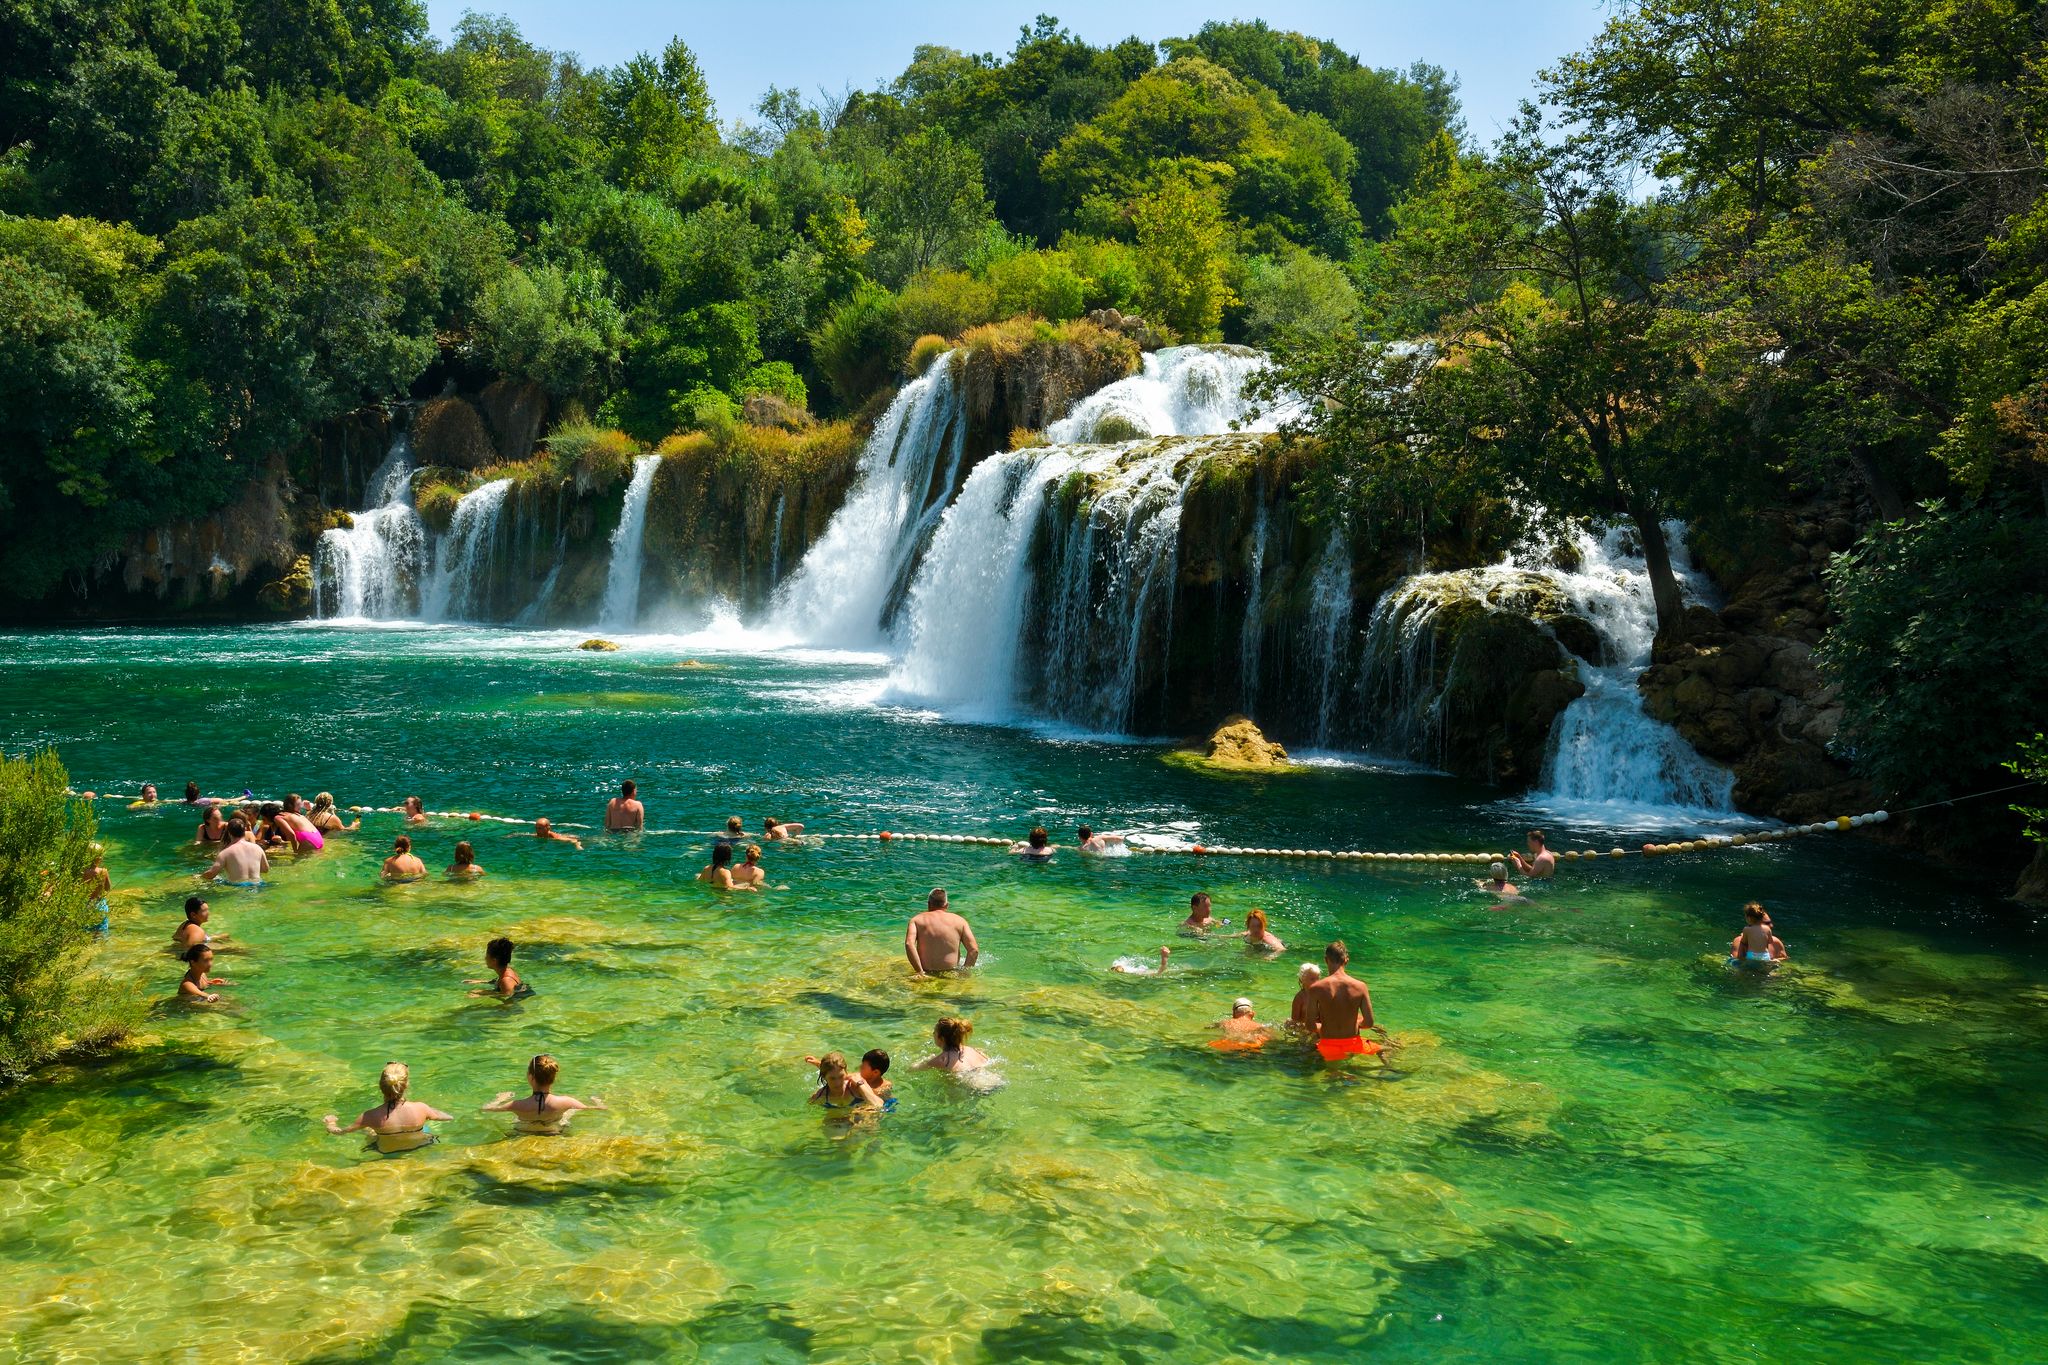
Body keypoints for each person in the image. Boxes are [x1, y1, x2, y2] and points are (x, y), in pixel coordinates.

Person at [324, 1062, 451, 1154]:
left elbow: (340, 1132)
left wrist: (331, 1123)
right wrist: (430, 1111)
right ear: (406, 1085)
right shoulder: (421, 1107)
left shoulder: (369, 1116)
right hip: (420, 1145)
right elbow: (447, 1118)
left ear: (380, 1086)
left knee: (368, 1129)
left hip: (386, 1151)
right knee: (425, 1127)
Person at [1298, 941, 1387, 1063]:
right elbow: (1369, 1023)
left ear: (1326, 960)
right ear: (1346, 960)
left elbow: (1310, 1026)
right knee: (1387, 1048)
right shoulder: (1360, 986)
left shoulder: (1316, 988)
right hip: (1354, 1044)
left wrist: (1323, 1028)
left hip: (1327, 1046)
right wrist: (1355, 1024)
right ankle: (1387, 1069)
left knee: (1333, 1072)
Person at [482, 1054, 606, 1135]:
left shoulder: (517, 1105)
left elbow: (486, 1109)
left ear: (530, 1077)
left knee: (516, 1120)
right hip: (554, 1132)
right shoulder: (566, 1101)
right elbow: (599, 1109)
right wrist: (596, 1100)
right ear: (554, 1078)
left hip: (523, 1132)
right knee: (569, 1112)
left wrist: (499, 1099)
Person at [905, 888, 978, 976]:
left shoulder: (916, 920)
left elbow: (909, 944)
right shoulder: (960, 921)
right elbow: (974, 950)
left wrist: (919, 971)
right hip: (950, 974)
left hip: (926, 973)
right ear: (946, 905)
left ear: (929, 904)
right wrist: (964, 973)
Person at [806, 1052, 886, 1113]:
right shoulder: (819, 1096)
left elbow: (879, 1105)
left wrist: (860, 1085)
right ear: (824, 1077)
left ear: (846, 1072)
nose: (837, 1083)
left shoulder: (856, 1084)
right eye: (832, 1079)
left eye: (841, 1076)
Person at [913, 1017, 990, 1073]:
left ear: (942, 1039)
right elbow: (988, 1060)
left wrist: (927, 1059)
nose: (933, 1034)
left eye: (934, 1032)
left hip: (973, 1088)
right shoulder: (973, 1050)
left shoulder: (942, 1060)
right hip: (993, 1080)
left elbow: (911, 1069)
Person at [201, 821, 269, 885]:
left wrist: (199, 877)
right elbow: (265, 869)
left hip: (238, 888)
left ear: (229, 832)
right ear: (244, 830)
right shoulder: (258, 848)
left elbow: (211, 874)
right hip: (258, 885)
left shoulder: (225, 853)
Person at [83, 845, 111, 934]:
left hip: (85, 904)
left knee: (85, 929)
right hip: (99, 904)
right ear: (98, 858)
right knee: (101, 930)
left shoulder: (82, 871)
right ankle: (99, 946)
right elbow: (107, 888)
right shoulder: (104, 871)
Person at [1289, 964, 1323, 1033]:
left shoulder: (1320, 995)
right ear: (1303, 980)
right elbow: (1295, 1020)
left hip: (1317, 1029)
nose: (1316, 981)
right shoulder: (1300, 998)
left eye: (1317, 978)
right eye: (1312, 979)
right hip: (1304, 1030)